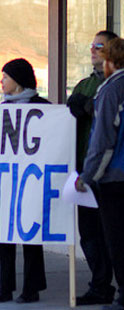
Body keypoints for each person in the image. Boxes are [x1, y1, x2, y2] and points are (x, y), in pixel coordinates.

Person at [0, 58, 49, 304]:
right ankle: (4, 288)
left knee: (30, 237)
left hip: (31, 181)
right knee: (3, 238)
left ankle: (31, 288)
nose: (1, 81)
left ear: (18, 79)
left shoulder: (43, 108)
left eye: (5, 76)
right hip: (5, 181)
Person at [67, 30, 118, 306]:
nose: (93, 50)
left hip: (109, 173)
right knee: (89, 234)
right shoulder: (84, 85)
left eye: (99, 46)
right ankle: (100, 285)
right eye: (91, 45)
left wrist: (91, 108)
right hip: (85, 172)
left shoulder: (116, 85)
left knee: (113, 234)